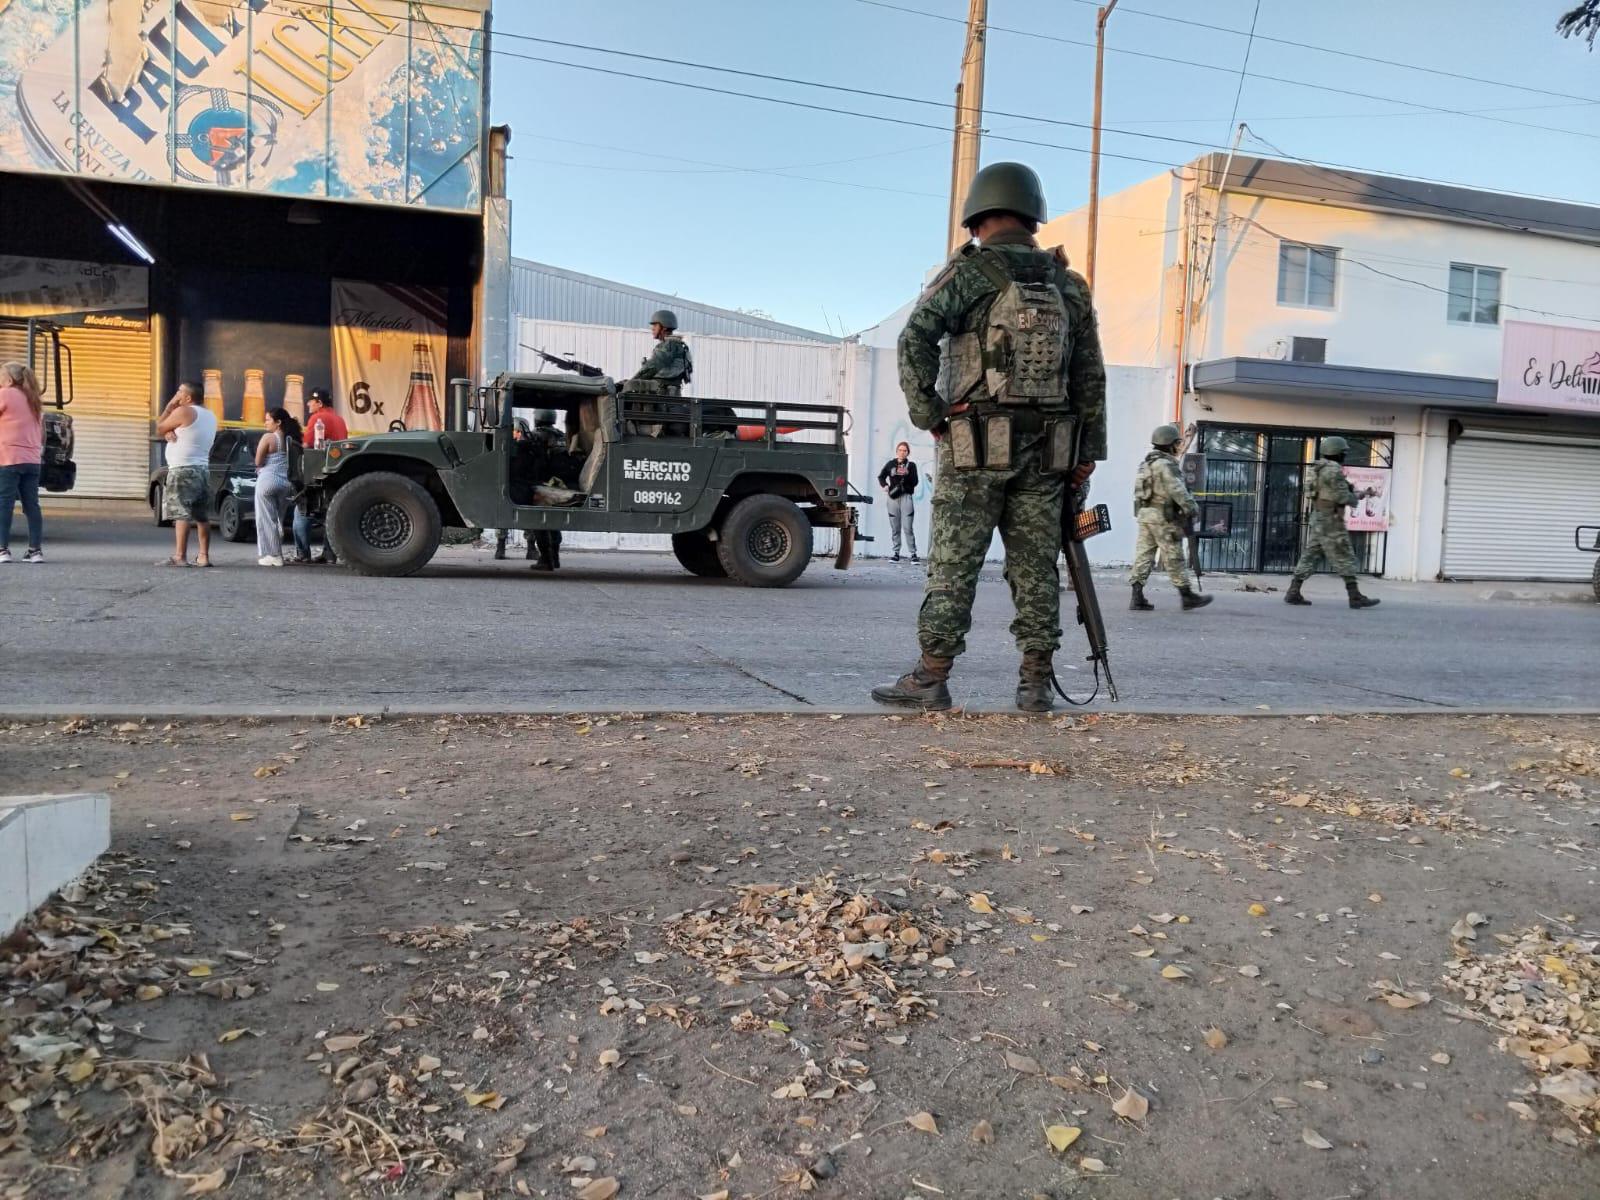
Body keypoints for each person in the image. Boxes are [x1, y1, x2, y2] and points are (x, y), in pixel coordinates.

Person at [872, 161, 1107, 714]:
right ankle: (1034, 684)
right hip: (1048, 452)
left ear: (978, 218)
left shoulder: (970, 275)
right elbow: (1090, 375)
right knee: (1036, 569)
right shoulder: (1068, 286)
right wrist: (1086, 456)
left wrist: (930, 413)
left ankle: (931, 678)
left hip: (974, 446)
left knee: (954, 566)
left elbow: (914, 341)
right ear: (1033, 216)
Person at [1286, 436, 1380, 609]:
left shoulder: (1317, 468)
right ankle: (1355, 596)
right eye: (1343, 452)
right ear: (1336, 453)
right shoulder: (1334, 470)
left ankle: (1293, 591)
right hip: (1331, 520)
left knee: (1311, 555)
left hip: (1319, 517)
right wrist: (1356, 497)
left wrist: (1356, 492)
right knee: (1345, 555)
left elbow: (1325, 491)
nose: (1344, 455)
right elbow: (1342, 496)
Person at [1129, 424, 1212, 612]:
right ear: (1169, 444)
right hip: (1162, 518)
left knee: (1144, 555)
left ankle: (1137, 596)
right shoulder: (1166, 465)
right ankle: (1187, 595)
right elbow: (1177, 489)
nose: (1179, 446)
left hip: (1145, 516)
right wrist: (1192, 508)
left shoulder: (1146, 464)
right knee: (1174, 555)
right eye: (1177, 443)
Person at [155, 381, 218, 567]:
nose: (176, 395)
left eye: (179, 392)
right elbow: (186, 431)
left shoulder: (183, 411)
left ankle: (180, 556)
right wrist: (170, 431)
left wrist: (168, 408)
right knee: (202, 516)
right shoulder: (210, 415)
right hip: (202, 470)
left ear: (188, 397)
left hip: (182, 469)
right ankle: (203, 556)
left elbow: (159, 428)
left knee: (181, 514)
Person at [293, 387, 346, 564]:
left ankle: (303, 554)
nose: (308, 404)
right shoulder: (339, 419)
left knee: (302, 512)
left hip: (318, 472)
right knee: (331, 515)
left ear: (319, 403)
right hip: (338, 473)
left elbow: (307, 445)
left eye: (311, 401)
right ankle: (329, 554)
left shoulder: (317, 418)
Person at [0, 361, 46, 564]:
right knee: (32, 505)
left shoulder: (6, 393)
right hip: (33, 461)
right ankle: (35, 551)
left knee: (4, 504)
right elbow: (42, 435)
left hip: (9, 458)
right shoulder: (34, 399)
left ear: (9, 379)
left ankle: (2, 550)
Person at [253, 407, 301, 567]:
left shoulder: (269, 437)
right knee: (278, 519)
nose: (265, 423)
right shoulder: (293, 439)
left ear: (278, 422)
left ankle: (273, 555)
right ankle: (276, 549)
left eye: (268, 420)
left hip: (268, 481)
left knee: (266, 519)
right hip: (287, 484)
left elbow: (258, 461)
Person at [528, 409, 565, 572]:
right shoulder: (561, 436)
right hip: (560, 484)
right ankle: (555, 557)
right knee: (555, 521)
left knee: (539, 521)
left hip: (543, 483)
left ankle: (545, 559)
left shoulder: (536, 436)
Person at [877, 441, 920, 562]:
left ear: (908, 453)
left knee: (908, 527)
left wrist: (908, 474)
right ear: (897, 451)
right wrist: (884, 485)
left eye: (905, 450)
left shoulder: (911, 466)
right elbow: (881, 476)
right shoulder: (890, 464)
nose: (902, 452)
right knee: (895, 527)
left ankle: (913, 554)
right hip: (893, 498)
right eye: (900, 450)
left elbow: (915, 482)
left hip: (906, 496)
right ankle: (896, 553)